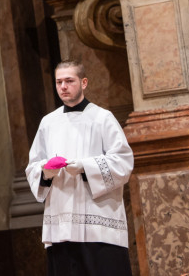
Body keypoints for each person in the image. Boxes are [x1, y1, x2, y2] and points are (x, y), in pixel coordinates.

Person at [25, 60, 134, 276]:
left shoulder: (102, 118)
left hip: (98, 223)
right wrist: (45, 172)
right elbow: (33, 166)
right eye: (59, 82)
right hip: (61, 223)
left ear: (84, 83)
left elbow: (123, 161)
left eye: (69, 81)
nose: (63, 87)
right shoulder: (48, 122)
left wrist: (85, 167)